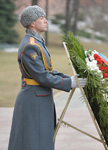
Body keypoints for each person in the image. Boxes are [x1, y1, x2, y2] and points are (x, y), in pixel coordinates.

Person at [8, 5, 86, 150]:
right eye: (42, 18)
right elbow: (42, 76)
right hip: (33, 100)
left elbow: (47, 70)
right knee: (33, 142)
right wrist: (69, 83)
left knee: (41, 140)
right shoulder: (30, 46)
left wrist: (68, 78)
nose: (46, 21)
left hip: (39, 98)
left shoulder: (37, 42)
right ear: (32, 23)